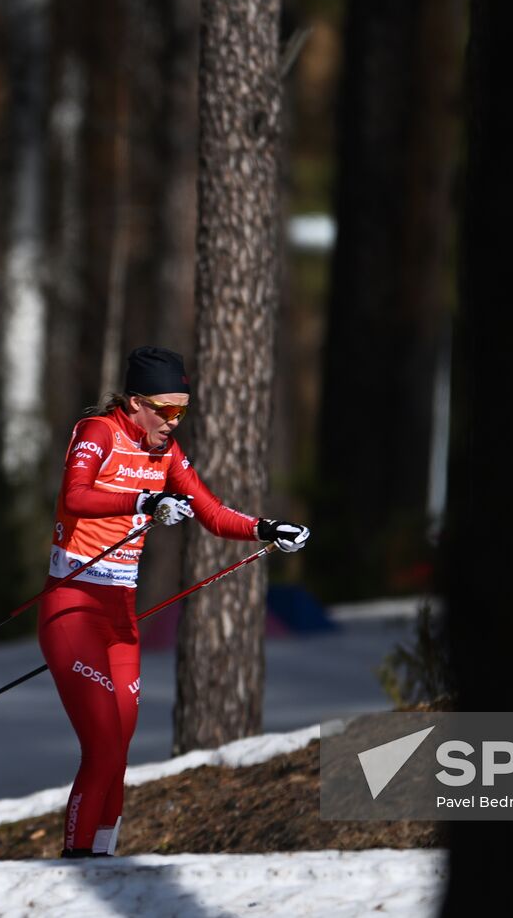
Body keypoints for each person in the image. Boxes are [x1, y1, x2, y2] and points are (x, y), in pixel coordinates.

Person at [39, 346, 310, 858]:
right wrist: (144, 500)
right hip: (73, 608)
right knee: (100, 746)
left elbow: (211, 511)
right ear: (136, 402)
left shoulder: (167, 452)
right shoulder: (99, 432)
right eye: (166, 411)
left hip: (119, 614)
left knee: (117, 750)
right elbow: (74, 496)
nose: (173, 422)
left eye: (182, 411)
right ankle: (74, 870)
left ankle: (103, 861)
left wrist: (265, 529)